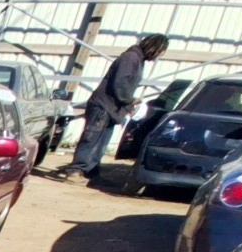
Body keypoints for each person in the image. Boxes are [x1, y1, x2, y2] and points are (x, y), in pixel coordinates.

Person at [58, 33, 168, 180]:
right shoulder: (131, 58)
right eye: (160, 51)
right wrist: (129, 100)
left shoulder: (138, 60)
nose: (159, 56)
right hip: (103, 106)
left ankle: (91, 170)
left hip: (113, 108)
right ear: (154, 47)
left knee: (102, 142)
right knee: (91, 138)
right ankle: (76, 170)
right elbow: (120, 83)